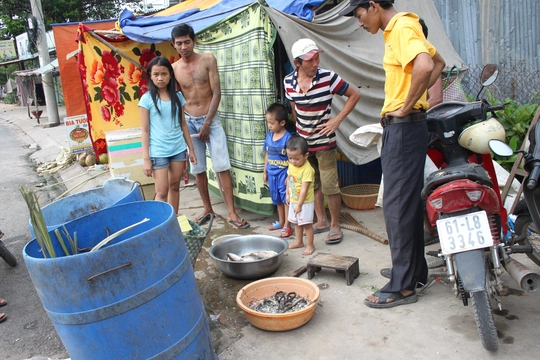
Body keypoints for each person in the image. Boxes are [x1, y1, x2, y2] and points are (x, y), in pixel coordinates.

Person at [341, 0, 445, 308]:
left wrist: (406, 106)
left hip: (404, 126)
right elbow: (437, 63)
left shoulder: (401, 27)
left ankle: (402, 287)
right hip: (406, 127)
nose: (360, 23)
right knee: (407, 204)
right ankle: (413, 273)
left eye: (359, 15)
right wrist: (416, 102)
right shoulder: (401, 28)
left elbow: (427, 66)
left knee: (396, 208)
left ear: (373, 5)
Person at [171, 23, 250, 229]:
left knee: (222, 166)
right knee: (198, 168)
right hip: (189, 122)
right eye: (179, 43)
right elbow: (175, 99)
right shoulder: (173, 69)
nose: (184, 47)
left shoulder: (207, 60)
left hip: (210, 120)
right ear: (174, 45)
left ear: (194, 41)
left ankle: (232, 212)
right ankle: (207, 208)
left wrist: (207, 123)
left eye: (187, 42)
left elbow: (217, 92)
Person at [284, 38, 360, 244]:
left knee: (330, 185)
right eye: (310, 60)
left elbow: (354, 95)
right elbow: (294, 109)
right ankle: (321, 221)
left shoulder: (329, 78)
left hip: (325, 142)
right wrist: (299, 135)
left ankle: (335, 224)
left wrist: (337, 120)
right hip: (304, 145)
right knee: (312, 183)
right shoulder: (288, 82)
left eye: (317, 58)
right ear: (297, 62)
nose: (316, 63)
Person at [139, 56, 197, 214]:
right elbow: (145, 131)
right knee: (162, 191)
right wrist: (146, 159)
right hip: (158, 152)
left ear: (170, 75)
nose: (160, 78)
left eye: (164, 74)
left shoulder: (178, 97)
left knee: (174, 187)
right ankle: (160, 224)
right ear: (150, 76)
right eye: (156, 74)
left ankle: (174, 221)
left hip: (178, 149)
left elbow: (183, 124)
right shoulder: (146, 99)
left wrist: (191, 150)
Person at [263, 103, 293, 238]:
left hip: (284, 174)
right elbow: (267, 154)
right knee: (277, 199)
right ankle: (281, 221)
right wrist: (265, 171)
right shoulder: (269, 137)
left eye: (272, 122)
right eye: (268, 122)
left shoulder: (288, 138)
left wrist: (290, 175)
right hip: (272, 173)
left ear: (282, 122)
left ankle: (288, 225)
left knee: (285, 199)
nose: (269, 125)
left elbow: (292, 159)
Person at [286, 136, 316, 255]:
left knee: (306, 224)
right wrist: (287, 194)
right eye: (290, 158)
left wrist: (299, 205)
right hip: (294, 199)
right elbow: (289, 179)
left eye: (296, 159)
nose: (293, 161)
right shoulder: (291, 165)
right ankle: (299, 242)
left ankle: (310, 245)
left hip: (305, 202)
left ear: (306, 156)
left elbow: (304, 190)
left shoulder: (307, 170)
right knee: (296, 223)